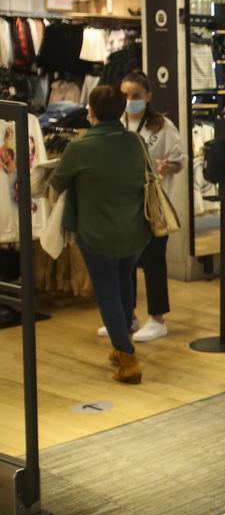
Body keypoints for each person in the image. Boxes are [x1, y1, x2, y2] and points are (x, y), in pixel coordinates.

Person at [49, 86, 150, 384]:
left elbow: (56, 183)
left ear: (91, 111)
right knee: (122, 282)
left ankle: (127, 357)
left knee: (107, 291)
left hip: (97, 234)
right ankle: (123, 345)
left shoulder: (80, 148)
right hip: (134, 231)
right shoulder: (135, 142)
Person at [93, 71, 184, 343]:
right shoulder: (116, 124)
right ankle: (127, 315)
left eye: (135, 95)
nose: (130, 101)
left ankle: (158, 318)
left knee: (154, 261)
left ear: (148, 97)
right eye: (125, 95)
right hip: (123, 207)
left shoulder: (162, 126)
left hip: (151, 206)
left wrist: (165, 166)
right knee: (124, 264)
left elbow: (179, 161)